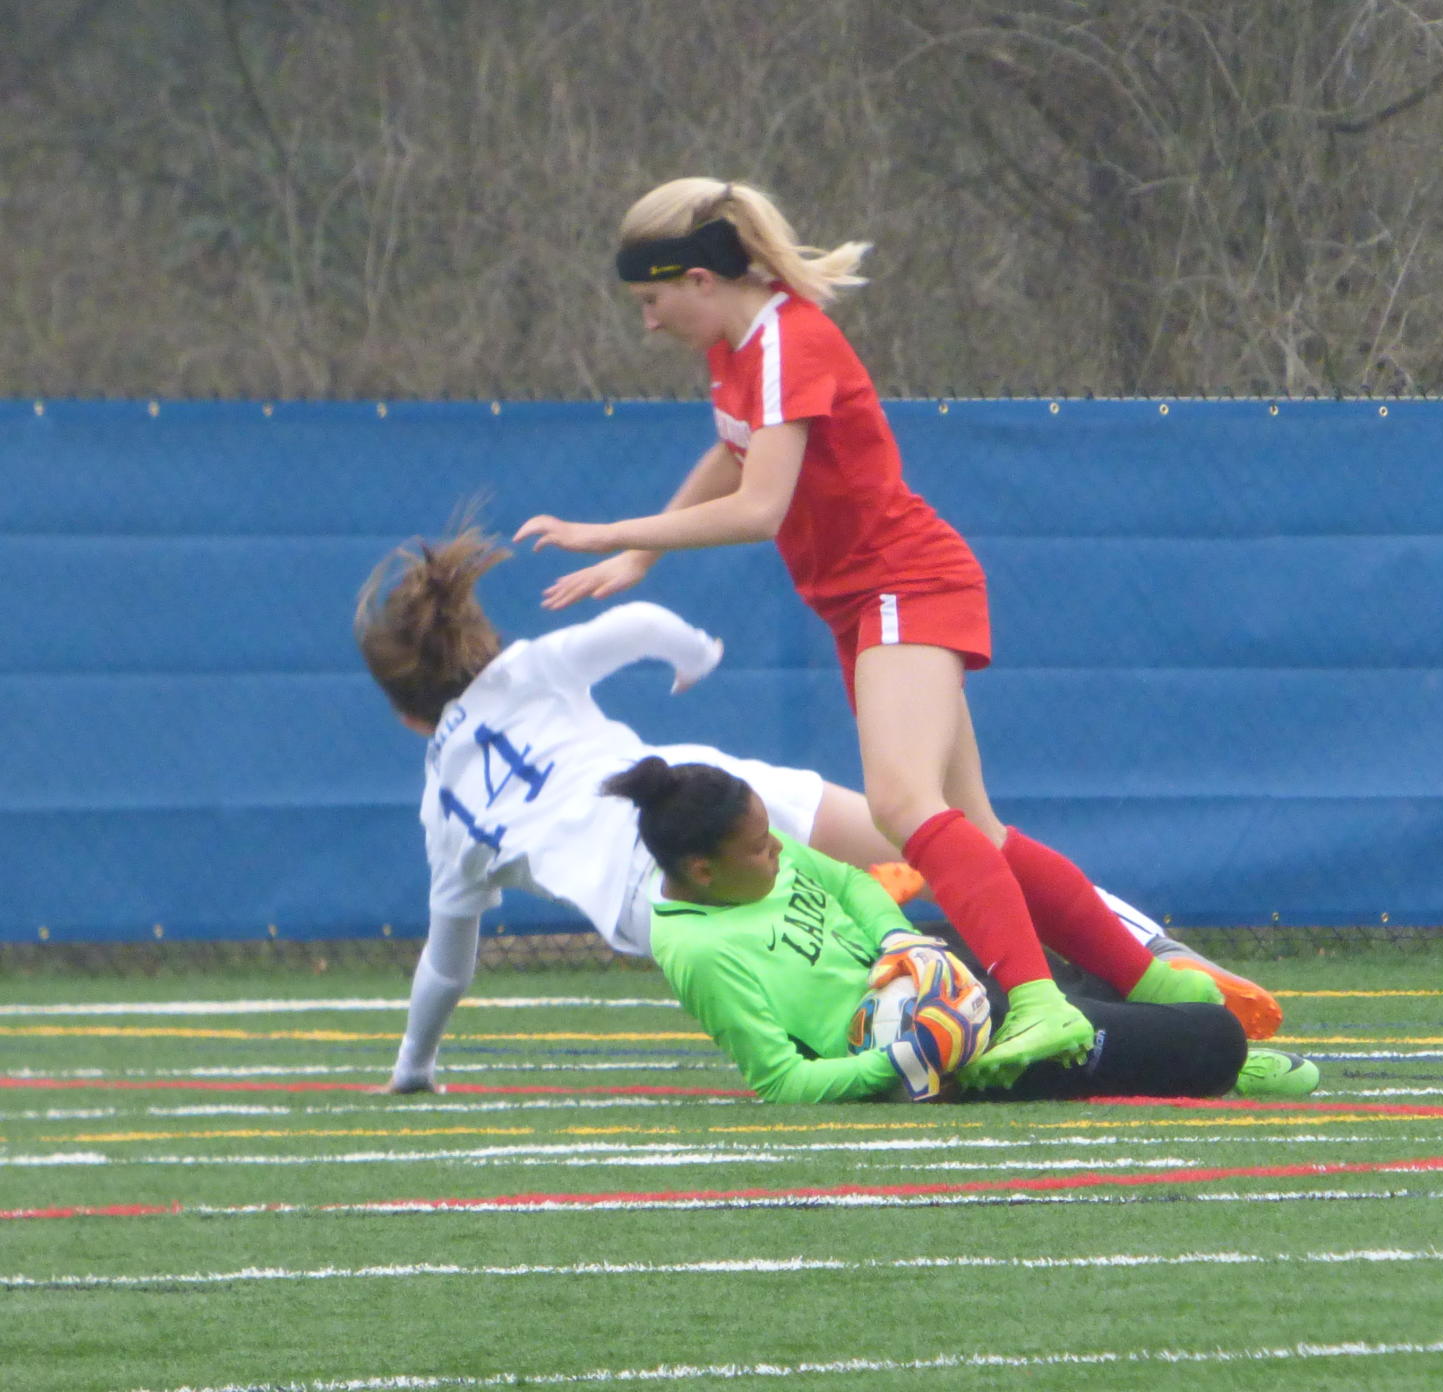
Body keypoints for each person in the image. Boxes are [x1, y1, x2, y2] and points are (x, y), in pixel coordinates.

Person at [513, 176, 1220, 1080]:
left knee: (902, 806)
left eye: (651, 301)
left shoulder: (787, 343)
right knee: (975, 829)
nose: (647, 322)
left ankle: (1041, 1003)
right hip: (866, 599)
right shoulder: (739, 349)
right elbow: (734, 450)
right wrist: (645, 557)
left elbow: (761, 505)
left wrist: (614, 530)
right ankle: (1153, 986)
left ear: (697, 280)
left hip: (902, 582)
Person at [353, 530, 1279, 1094]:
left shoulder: (443, 809)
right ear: (478, 642)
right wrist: (696, 655)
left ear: (405, 713)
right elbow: (636, 630)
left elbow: (446, 965)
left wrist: (414, 1066)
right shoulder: (524, 669)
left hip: (673, 882)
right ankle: (1147, 958)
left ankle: (1013, 1034)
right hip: (719, 785)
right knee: (952, 839)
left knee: (850, 1012)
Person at [603, 756, 1318, 1106]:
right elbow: (784, 1083)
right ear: (699, 871)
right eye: (759, 849)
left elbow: (852, 882)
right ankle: (1220, 1059)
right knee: (1213, 1036)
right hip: (941, 1046)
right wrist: (913, 1053)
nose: (778, 853)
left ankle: (1146, 1013)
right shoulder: (695, 949)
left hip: (933, 974)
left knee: (1038, 934)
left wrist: (896, 940)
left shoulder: (755, 860)